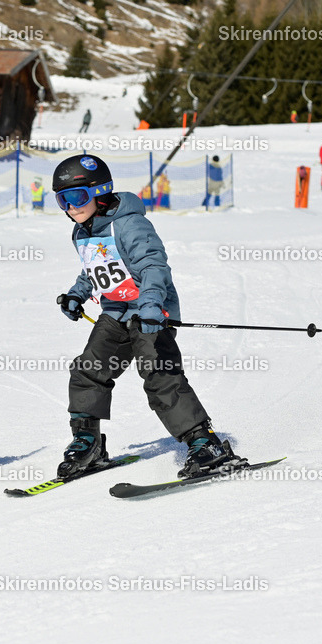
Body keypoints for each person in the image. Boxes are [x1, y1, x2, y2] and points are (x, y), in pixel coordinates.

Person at [52, 154, 240, 480]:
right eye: (62, 200)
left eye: (77, 197)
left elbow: (154, 265)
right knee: (88, 370)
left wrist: (153, 305)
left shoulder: (129, 223)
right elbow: (94, 270)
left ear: (101, 191)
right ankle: (88, 442)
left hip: (149, 313)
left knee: (159, 375)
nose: (70, 207)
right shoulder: (82, 232)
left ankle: (204, 444)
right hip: (115, 313)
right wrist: (76, 294)